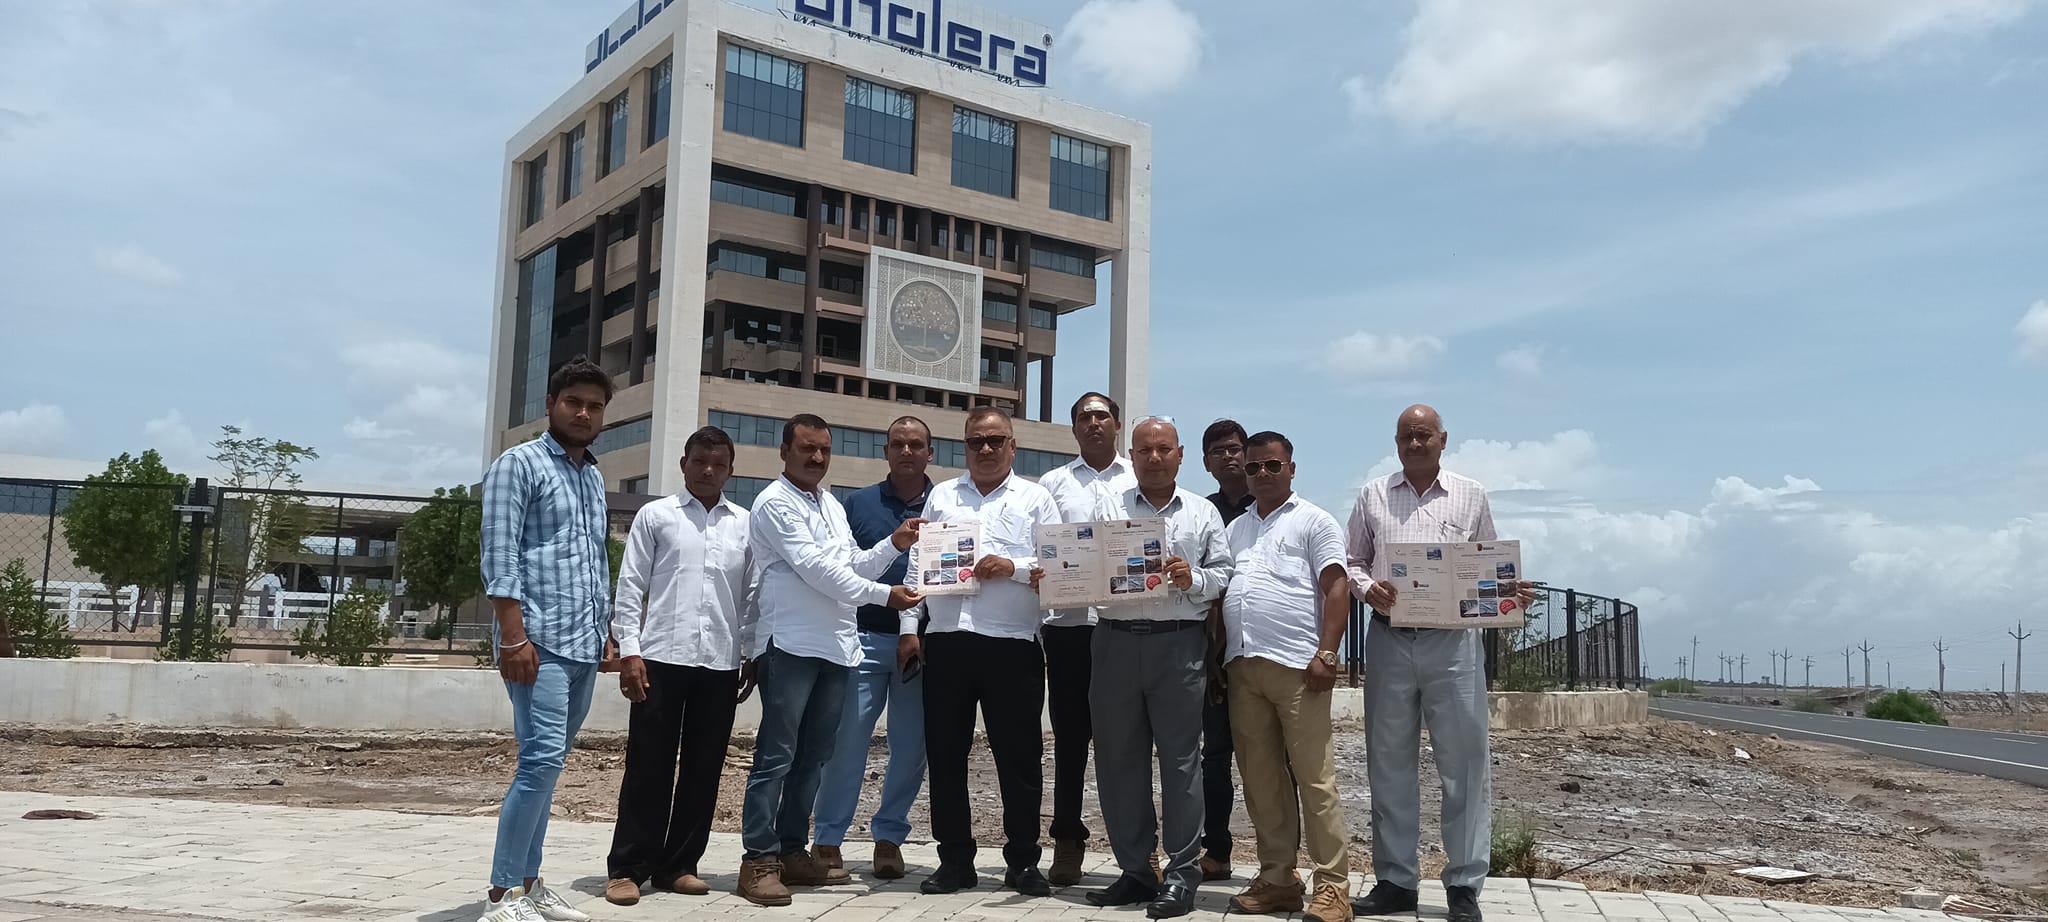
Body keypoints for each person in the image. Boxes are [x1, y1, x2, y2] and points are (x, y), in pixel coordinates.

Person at [1346, 405, 1535, 922]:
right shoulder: (1372, 495)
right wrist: (1367, 588)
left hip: (1453, 645)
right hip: (1389, 638)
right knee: (1388, 762)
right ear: (1395, 442)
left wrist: (1511, 591)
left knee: (1465, 764)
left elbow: (1489, 563)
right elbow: (1353, 561)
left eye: (1423, 435)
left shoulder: (1471, 494)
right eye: (1405, 436)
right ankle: (1395, 881)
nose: (1414, 443)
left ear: (1443, 440)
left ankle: (1465, 887)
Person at [738, 414, 924, 907]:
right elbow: (817, 570)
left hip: (837, 647)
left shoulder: (830, 505)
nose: (816, 457)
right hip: (791, 645)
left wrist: (893, 544)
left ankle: (792, 850)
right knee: (776, 757)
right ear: (785, 451)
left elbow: (850, 563)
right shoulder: (774, 503)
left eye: (823, 449)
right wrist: (887, 596)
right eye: (806, 448)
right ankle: (758, 859)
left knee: (814, 758)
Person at [477, 357, 615, 922]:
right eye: (573, 402)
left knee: (550, 763)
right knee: (539, 761)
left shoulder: (593, 476)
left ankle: (530, 885)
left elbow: (593, 561)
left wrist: (605, 631)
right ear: (551, 405)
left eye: (594, 406)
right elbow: (499, 553)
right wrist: (513, 637)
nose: (583, 413)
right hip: (538, 641)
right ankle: (502, 895)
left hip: (583, 641)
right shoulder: (519, 464)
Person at [1081, 417, 1233, 920]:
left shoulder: (1202, 512)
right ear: (1132, 455)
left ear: (1180, 454)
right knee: (1117, 760)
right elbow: (1082, 561)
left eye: (1163, 449)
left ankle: (1182, 874)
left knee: (1181, 762)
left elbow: (1225, 572)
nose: (1154, 458)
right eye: (1144, 450)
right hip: (1115, 641)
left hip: (1179, 643)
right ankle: (1136, 871)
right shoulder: (1108, 506)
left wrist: (1195, 578)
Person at [910, 407, 1063, 898]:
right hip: (947, 639)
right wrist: (909, 628)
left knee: (1019, 758)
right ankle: (954, 860)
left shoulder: (1036, 499)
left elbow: (1058, 562)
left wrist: (1011, 567)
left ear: (1013, 446)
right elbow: (919, 562)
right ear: (965, 447)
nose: (987, 449)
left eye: (996, 440)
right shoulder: (942, 496)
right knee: (946, 755)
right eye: (977, 441)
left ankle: (1023, 861)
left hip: (1011, 643)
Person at [603, 426, 756, 906]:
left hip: (720, 662)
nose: (708, 471)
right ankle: (627, 868)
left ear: (730, 470)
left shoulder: (745, 524)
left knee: (703, 768)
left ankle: (679, 866)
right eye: (700, 461)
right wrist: (629, 651)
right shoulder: (657, 516)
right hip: (660, 660)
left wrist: (749, 651)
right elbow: (631, 586)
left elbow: (752, 595)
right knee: (648, 766)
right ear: (684, 463)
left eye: (719, 464)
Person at [1221, 430, 1353, 922]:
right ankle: (1278, 879)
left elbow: (1336, 586)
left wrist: (1328, 654)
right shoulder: (1237, 529)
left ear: (1291, 469)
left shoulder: (1314, 521)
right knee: (1261, 781)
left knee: (1315, 780)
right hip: (1243, 667)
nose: (1262, 474)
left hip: (1300, 667)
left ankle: (1334, 887)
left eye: (1272, 465)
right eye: (1254, 467)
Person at [811, 417, 935, 880]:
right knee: (846, 744)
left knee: (910, 747)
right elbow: (843, 568)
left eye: (916, 444)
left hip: (920, 645)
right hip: (862, 639)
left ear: (930, 453)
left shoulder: (945, 505)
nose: (907, 451)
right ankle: (828, 838)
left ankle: (889, 837)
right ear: (885, 452)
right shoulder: (857, 504)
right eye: (898, 444)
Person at [1030, 392, 1136, 885]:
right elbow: (1041, 548)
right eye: (1084, 417)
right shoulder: (1052, 484)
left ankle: (1137, 846)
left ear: (1118, 424)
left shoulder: (1138, 478)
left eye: (1101, 416)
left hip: (1125, 626)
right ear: (1073, 428)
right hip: (1068, 627)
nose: (1093, 424)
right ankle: (1068, 840)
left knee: (1128, 741)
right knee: (1070, 741)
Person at [1198, 419, 1258, 881]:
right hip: (1213, 654)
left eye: (1235, 449)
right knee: (1214, 757)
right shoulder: (1203, 512)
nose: (1229, 457)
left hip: (1263, 652)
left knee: (1271, 761)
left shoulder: (1272, 504)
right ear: (1206, 462)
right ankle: (1216, 850)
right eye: (1218, 451)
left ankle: (1281, 862)